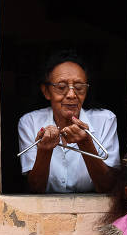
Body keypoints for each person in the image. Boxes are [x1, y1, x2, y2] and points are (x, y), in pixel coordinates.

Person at [17, 51, 119, 193]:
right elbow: (35, 188)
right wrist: (44, 151)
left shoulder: (105, 120)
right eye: (61, 87)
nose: (71, 95)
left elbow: (108, 186)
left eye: (79, 87)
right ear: (46, 91)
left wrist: (86, 144)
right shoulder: (30, 122)